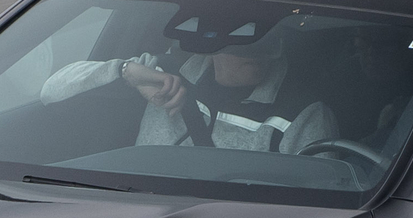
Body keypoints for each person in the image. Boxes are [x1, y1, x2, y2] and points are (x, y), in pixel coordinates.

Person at [43, 21, 337, 155]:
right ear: (210, 46)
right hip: (136, 214)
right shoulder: (160, 73)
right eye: (244, 42)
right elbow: (50, 91)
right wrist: (124, 71)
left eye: (268, 42)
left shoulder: (303, 115)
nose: (258, 54)